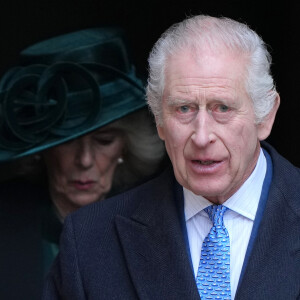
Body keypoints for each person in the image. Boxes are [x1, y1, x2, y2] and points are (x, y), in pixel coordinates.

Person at [43, 15, 300, 300]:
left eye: (223, 108)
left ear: (265, 116)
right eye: (184, 109)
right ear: (159, 122)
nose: (202, 137)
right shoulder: (90, 239)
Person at [0, 27, 165, 300]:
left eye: (104, 141)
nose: (85, 160)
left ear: (127, 146)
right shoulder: (6, 219)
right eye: (67, 142)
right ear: (43, 149)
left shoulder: (160, 223)